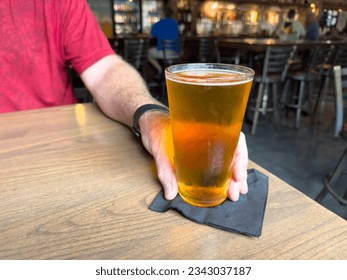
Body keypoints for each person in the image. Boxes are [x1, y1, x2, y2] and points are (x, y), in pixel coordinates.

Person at [0, 0, 248, 202]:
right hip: (173, 55)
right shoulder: (171, 22)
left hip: (65, 153)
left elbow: (104, 70)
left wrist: (152, 117)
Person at [148, 7, 181, 74]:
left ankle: (160, 70)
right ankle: (168, 72)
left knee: (148, 53)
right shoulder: (175, 23)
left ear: (163, 14)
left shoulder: (158, 24)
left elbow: (151, 36)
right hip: (177, 53)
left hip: (164, 53)